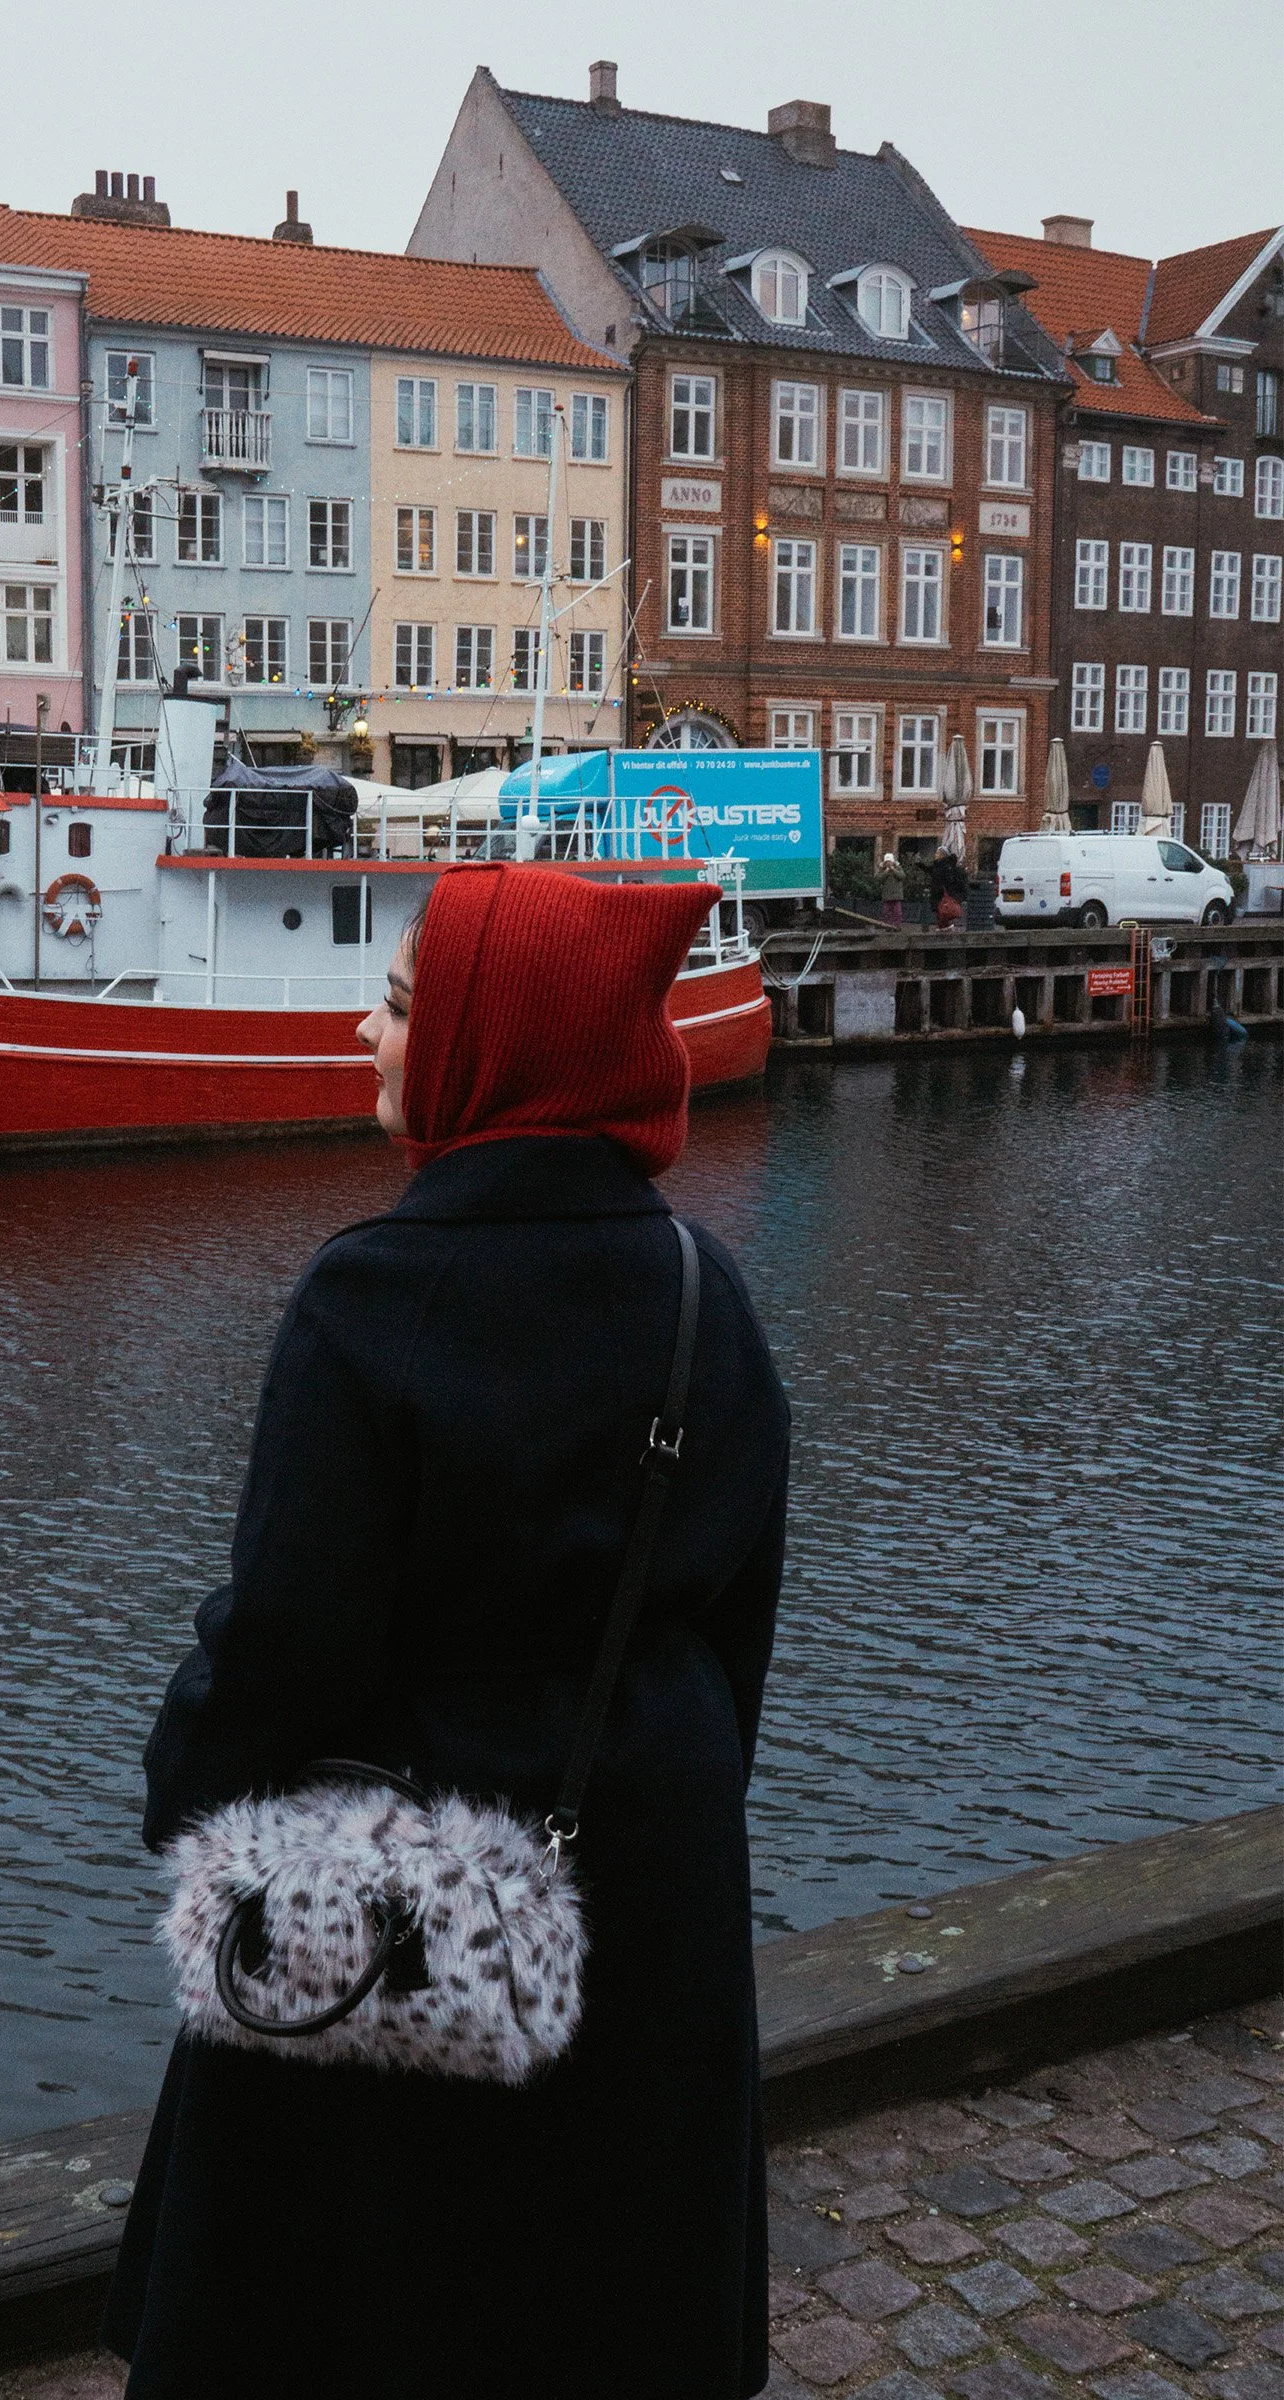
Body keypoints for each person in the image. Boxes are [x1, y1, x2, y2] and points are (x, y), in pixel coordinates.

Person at [104, 863, 791, 2400]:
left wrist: (184, 1790)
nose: (366, 1029)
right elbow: (738, 1619)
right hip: (644, 1890)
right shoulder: (708, 1294)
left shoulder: (373, 1298)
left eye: (403, 1006)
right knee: (598, 2305)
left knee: (365, 2302)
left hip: (405, 1903)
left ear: (491, 1053)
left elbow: (286, 1640)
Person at [930, 847, 968, 928]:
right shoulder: (938, 865)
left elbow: (948, 879)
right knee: (940, 910)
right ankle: (943, 926)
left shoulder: (946, 866)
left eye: (937, 853)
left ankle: (944, 926)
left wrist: (942, 887)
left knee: (943, 909)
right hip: (939, 891)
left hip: (942, 892)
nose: (935, 855)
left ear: (942, 855)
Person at [879, 850, 906, 925]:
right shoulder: (883, 870)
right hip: (887, 895)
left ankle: (897, 925)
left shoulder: (898, 868)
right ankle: (888, 925)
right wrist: (885, 872)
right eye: (887, 862)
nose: (888, 863)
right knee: (886, 911)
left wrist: (894, 870)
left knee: (897, 911)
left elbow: (902, 876)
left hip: (896, 895)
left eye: (889, 861)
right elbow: (879, 878)